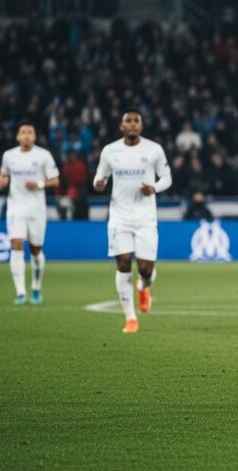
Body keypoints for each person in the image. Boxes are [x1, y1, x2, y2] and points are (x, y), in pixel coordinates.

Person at [93, 109, 172, 333]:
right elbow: (100, 177)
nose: (132, 124)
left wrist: (154, 188)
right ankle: (130, 318)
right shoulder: (110, 151)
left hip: (146, 217)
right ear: (121, 126)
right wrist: (98, 184)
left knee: (146, 269)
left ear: (141, 125)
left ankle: (143, 286)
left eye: (136, 121)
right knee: (124, 262)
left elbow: (167, 178)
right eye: (128, 121)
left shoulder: (154, 149)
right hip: (119, 216)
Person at [0, 121, 60, 305]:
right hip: (16, 208)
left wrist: (39, 184)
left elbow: (55, 181)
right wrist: (0, 182)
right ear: (17, 136)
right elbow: (4, 174)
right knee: (16, 244)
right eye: (23, 132)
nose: (26, 135)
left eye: (30, 132)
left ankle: (36, 287)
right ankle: (21, 292)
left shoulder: (43, 155)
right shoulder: (9, 156)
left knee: (35, 250)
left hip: (37, 210)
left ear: (35, 136)